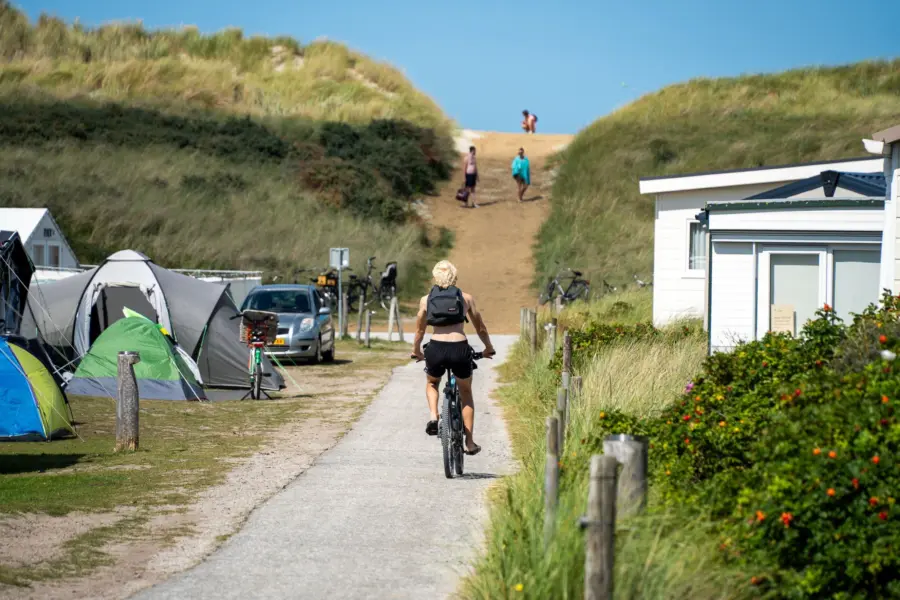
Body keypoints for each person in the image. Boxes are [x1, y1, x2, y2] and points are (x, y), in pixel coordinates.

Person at [412, 260, 495, 455]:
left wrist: (417, 350)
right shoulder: (466, 298)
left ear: (435, 277)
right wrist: (488, 348)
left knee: (432, 383)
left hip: (436, 348)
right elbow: (480, 328)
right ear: (455, 277)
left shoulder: (426, 300)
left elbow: (419, 330)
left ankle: (434, 417)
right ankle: (470, 442)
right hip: (459, 348)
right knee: (465, 392)